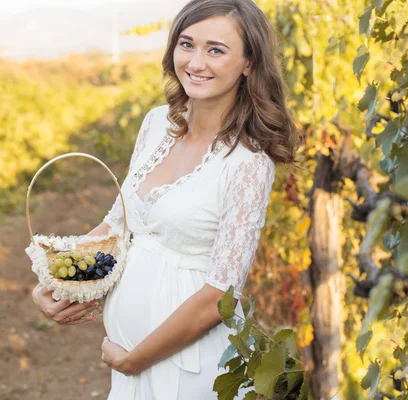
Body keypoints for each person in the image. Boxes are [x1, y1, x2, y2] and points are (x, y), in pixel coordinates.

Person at [31, 0, 302, 398]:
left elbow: (220, 296)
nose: (196, 62)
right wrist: (55, 280)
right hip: (128, 363)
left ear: (248, 63)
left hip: (191, 368)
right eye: (187, 44)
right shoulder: (157, 123)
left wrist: (137, 359)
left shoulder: (248, 162)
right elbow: (117, 227)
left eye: (216, 50)